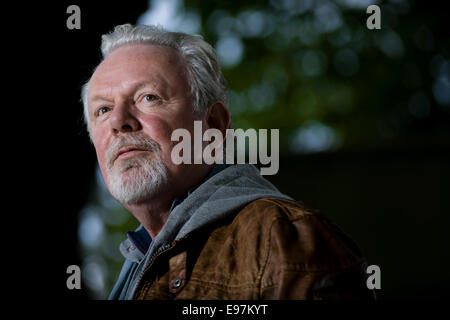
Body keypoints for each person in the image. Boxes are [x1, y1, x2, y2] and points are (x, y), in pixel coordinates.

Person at [81, 24, 374, 300]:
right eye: (103, 110)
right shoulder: (136, 266)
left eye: (148, 98)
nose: (118, 122)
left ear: (213, 124)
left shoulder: (285, 241)